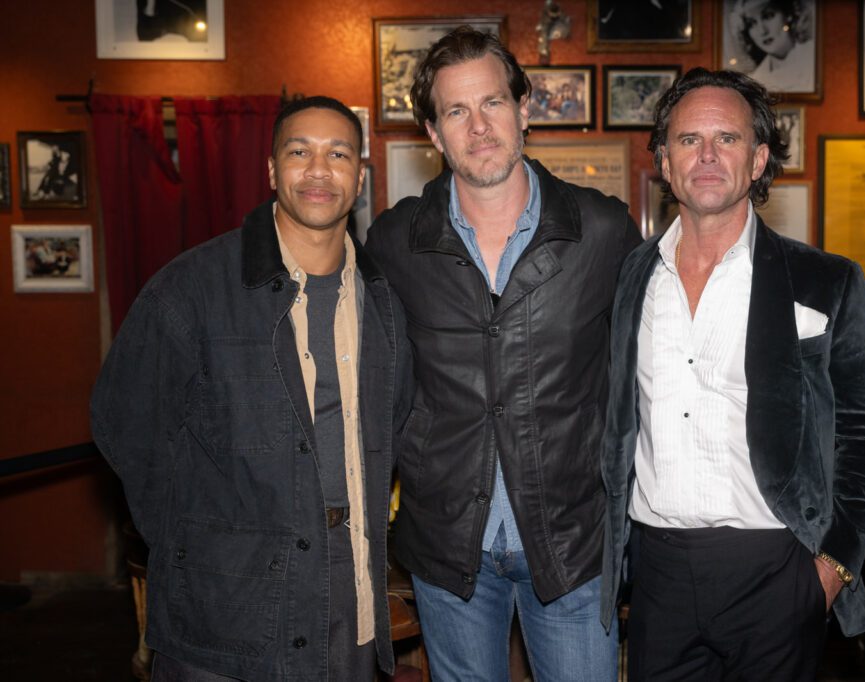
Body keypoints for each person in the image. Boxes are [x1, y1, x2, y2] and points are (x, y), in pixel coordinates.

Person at [91, 96, 413, 681]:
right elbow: (127, 428)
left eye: (338, 153)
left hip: (348, 593)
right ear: (271, 170)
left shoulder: (382, 300)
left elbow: (395, 426)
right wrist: (203, 549)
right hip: (226, 607)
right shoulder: (191, 288)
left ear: (360, 177)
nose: (319, 170)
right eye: (299, 151)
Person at [599, 67, 865, 681]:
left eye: (727, 139)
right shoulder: (631, 278)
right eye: (687, 140)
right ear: (663, 159)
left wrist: (831, 571)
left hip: (777, 570)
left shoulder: (824, 281)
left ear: (758, 159)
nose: (706, 155)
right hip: (657, 576)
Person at [366, 26, 643, 682]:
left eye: (492, 102)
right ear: (432, 134)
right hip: (446, 547)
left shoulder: (602, 232)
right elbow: (379, 376)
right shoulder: (395, 241)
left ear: (524, 109)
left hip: (575, 545)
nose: (479, 126)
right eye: (456, 111)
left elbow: (642, 378)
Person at [731, 0, 815, 93]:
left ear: (788, 14)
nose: (762, 31)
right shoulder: (755, 80)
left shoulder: (814, 58)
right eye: (752, 23)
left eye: (768, 16)